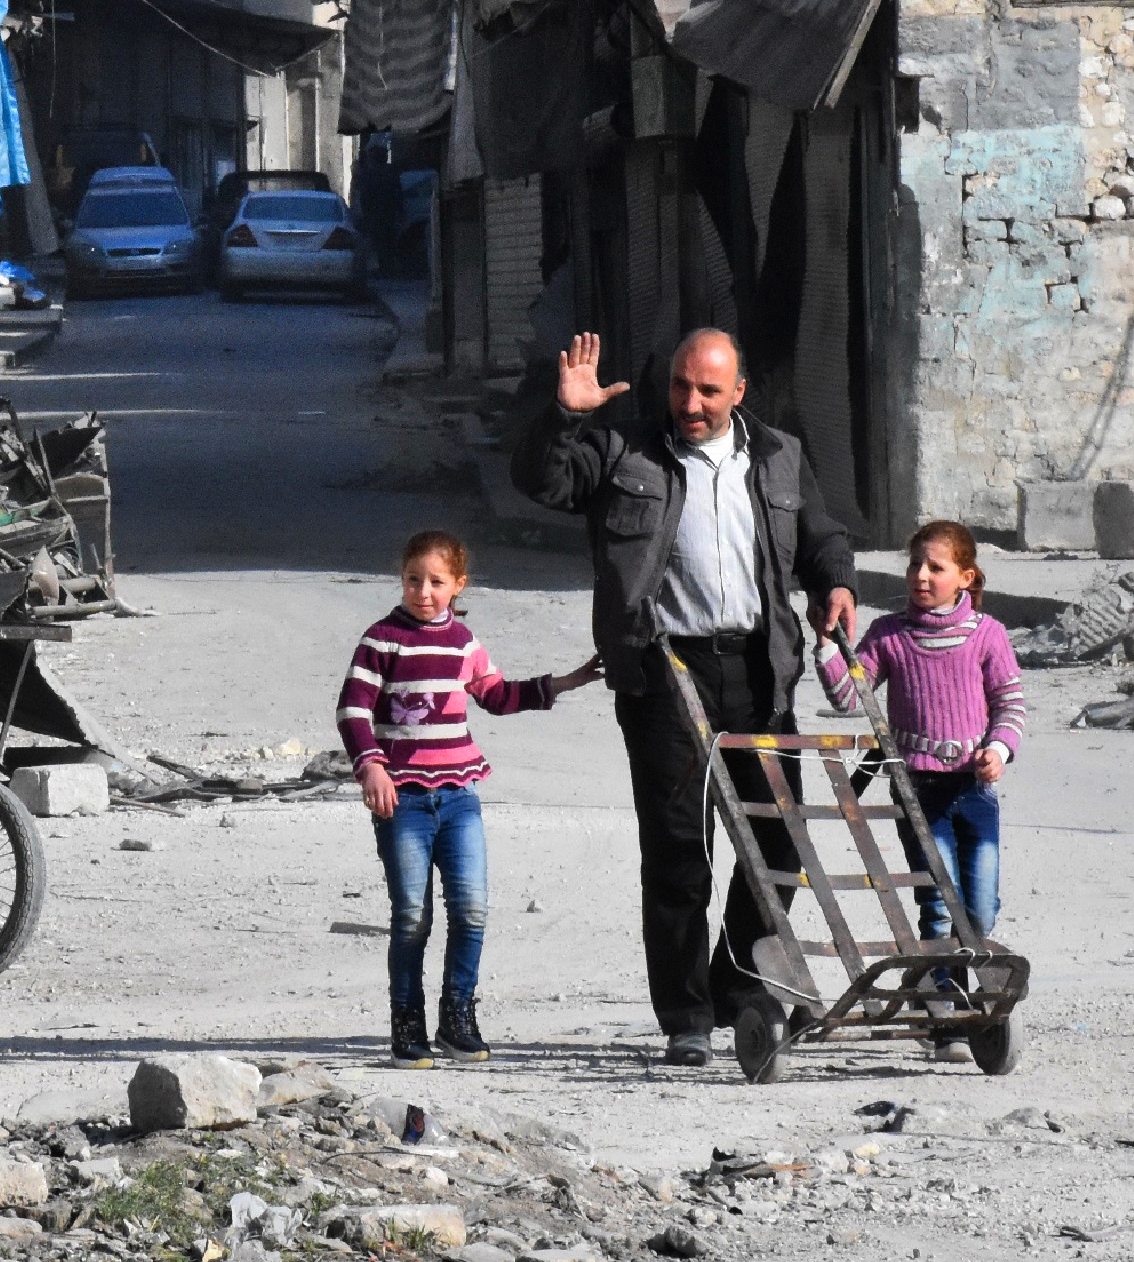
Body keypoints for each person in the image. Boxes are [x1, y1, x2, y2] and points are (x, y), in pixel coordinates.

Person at [512, 329, 857, 1068]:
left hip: (759, 671)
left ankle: (734, 990)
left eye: (706, 390)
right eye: (679, 386)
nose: (689, 403)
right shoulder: (623, 450)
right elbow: (543, 482)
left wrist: (835, 580)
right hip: (664, 670)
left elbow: (821, 536)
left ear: (738, 393)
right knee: (678, 850)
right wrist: (562, 415)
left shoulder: (778, 454)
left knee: (778, 843)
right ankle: (686, 1017)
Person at [335, 529, 602, 1069]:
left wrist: (570, 680)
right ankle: (406, 1025)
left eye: (436, 582)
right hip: (403, 802)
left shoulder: (464, 644)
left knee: (472, 910)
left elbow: (499, 696)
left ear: (458, 584)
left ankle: (458, 1017)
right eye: (414, 580)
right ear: (402, 579)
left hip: (459, 797)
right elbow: (353, 709)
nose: (424, 592)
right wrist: (372, 769)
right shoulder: (382, 640)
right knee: (411, 916)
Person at [818, 520, 1024, 1060]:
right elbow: (847, 694)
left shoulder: (988, 634)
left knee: (978, 907)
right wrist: (827, 644)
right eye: (914, 565)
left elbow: (1011, 705)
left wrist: (998, 751)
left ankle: (966, 989)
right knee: (937, 901)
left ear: (966, 576)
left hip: (975, 791)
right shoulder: (891, 635)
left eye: (935, 567)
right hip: (917, 791)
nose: (921, 576)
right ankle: (945, 1019)